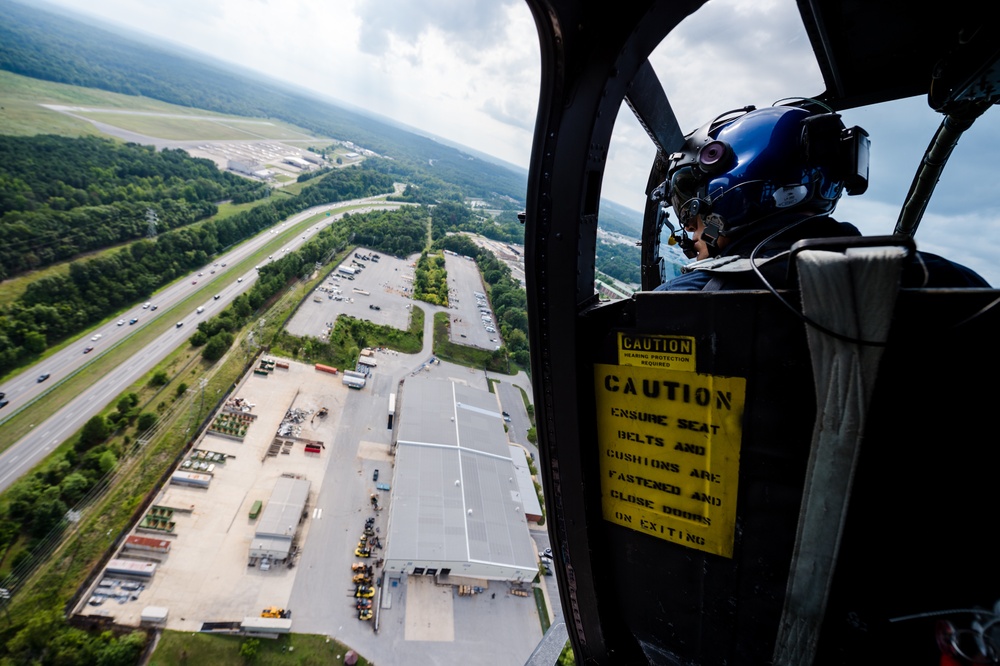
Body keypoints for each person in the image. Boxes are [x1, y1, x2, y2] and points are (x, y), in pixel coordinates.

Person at [652, 103, 990, 291]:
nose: (692, 232)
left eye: (691, 213)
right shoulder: (950, 282)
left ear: (724, 197)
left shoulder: (683, 297)